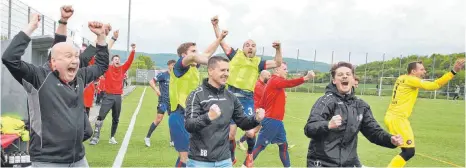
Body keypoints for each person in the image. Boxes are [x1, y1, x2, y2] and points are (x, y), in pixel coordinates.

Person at [2, 14, 109, 167]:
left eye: (76, 56)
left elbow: (102, 66)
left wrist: (101, 37)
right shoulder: (38, 77)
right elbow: (9, 58)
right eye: (68, 56)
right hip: (48, 161)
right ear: (53, 61)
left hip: (78, 158)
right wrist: (31, 27)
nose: (75, 60)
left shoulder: (80, 77)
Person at [211, 15, 283, 166]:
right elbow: (221, 42)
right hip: (230, 96)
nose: (250, 47)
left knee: (250, 132)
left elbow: (277, 62)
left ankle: (249, 155)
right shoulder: (234, 55)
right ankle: (232, 157)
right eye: (247, 44)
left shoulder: (259, 63)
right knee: (230, 135)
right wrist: (216, 26)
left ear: (255, 49)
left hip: (247, 98)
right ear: (243, 48)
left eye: (253, 45)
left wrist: (278, 49)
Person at [304, 62, 403, 167]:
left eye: (348, 74)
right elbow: (309, 128)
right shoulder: (326, 101)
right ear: (334, 80)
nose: (344, 76)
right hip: (322, 163)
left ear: (353, 79)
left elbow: (373, 131)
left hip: (349, 163)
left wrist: (390, 139)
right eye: (340, 74)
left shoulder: (361, 106)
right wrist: (327, 125)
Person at [184, 56, 265, 167]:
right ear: (210, 71)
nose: (226, 73)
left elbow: (243, 122)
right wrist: (208, 117)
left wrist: (256, 119)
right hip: (200, 161)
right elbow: (189, 125)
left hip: (224, 160)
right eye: (222, 70)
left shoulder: (230, 97)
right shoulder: (197, 95)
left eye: (228, 70)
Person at [385, 59, 464, 167]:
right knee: (409, 152)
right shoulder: (411, 80)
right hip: (398, 119)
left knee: (407, 151)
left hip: (393, 117)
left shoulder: (401, 78)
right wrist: (453, 72)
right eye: (421, 69)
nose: (424, 72)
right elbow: (434, 85)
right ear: (413, 71)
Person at [168, 30, 228, 167]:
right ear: (184, 55)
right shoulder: (179, 67)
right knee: (186, 158)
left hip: (192, 117)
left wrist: (220, 38)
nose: (197, 54)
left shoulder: (194, 67)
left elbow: (206, 53)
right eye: (193, 51)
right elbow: (194, 58)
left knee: (192, 156)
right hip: (179, 116)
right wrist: (218, 65)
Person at [249, 63, 315, 167]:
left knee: (283, 146)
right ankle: (244, 165)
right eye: (284, 69)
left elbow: (263, 100)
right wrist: (306, 77)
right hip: (272, 121)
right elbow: (290, 83)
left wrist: (260, 109)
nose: (287, 71)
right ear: (276, 70)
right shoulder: (275, 80)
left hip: (277, 122)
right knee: (259, 147)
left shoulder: (274, 82)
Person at [89, 43, 136, 145]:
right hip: (108, 96)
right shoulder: (107, 69)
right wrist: (93, 54)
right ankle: (95, 137)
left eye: (118, 59)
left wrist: (133, 50)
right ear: (112, 61)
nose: (117, 60)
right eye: (115, 59)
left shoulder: (122, 69)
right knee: (101, 116)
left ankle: (112, 137)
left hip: (118, 97)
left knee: (116, 118)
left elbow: (129, 61)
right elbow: (95, 63)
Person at [145, 60, 176, 147]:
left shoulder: (176, 76)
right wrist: (156, 89)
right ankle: (147, 137)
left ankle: (172, 141)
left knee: (172, 121)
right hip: (163, 101)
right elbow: (151, 81)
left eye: (175, 65)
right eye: (172, 65)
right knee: (159, 119)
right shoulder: (163, 75)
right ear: (169, 66)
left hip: (173, 102)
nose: (174, 67)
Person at [237, 70, 270, 151]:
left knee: (256, 129)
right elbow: (266, 96)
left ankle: (241, 141)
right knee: (254, 129)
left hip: (261, 110)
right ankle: (246, 146)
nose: (270, 77)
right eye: (269, 76)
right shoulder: (258, 85)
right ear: (262, 76)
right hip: (256, 110)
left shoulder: (264, 85)